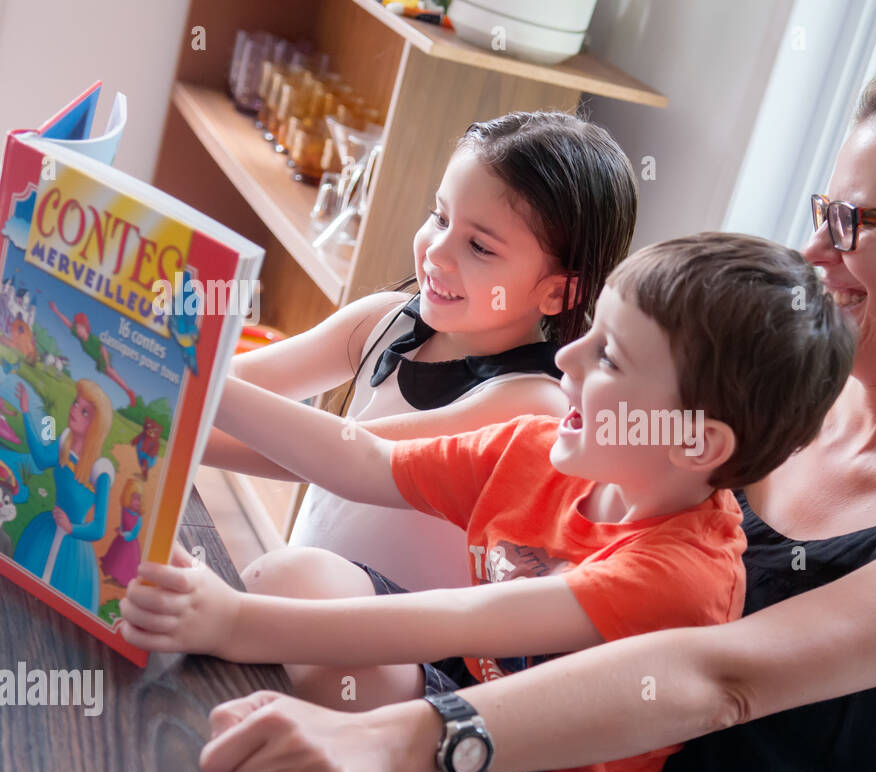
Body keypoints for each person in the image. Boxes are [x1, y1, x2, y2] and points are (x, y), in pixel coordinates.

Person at [191, 63, 876, 772]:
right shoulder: (771, 399)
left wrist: (390, 742)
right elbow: (485, 493)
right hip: (541, 770)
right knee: (261, 688)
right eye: (819, 207)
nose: (811, 249)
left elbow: (717, 675)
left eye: (852, 222)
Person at [119, 233, 856, 772]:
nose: (568, 358)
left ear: (694, 440)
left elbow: (461, 619)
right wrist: (203, 372)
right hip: (464, 678)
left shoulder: (683, 575)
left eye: (610, 359)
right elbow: (360, 456)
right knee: (296, 572)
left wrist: (232, 621)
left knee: (332, 678)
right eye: (590, 331)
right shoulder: (543, 447)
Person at [203, 111, 639, 592]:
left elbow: (336, 456)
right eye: (441, 217)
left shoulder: (531, 405)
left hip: (398, 648)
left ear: (558, 293)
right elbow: (236, 377)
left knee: (278, 583)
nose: (437, 251)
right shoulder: (384, 320)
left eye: (479, 246)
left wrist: (179, 403)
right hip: (309, 607)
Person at [13, 378, 116, 612]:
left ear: (96, 425)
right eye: (75, 403)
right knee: (22, 593)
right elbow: (40, 460)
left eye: (85, 411)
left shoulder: (99, 472)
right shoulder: (64, 443)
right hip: (45, 531)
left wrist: (72, 528)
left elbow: (99, 528)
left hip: (73, 547)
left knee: (58, 606)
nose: (74, 411)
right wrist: (26, 412)